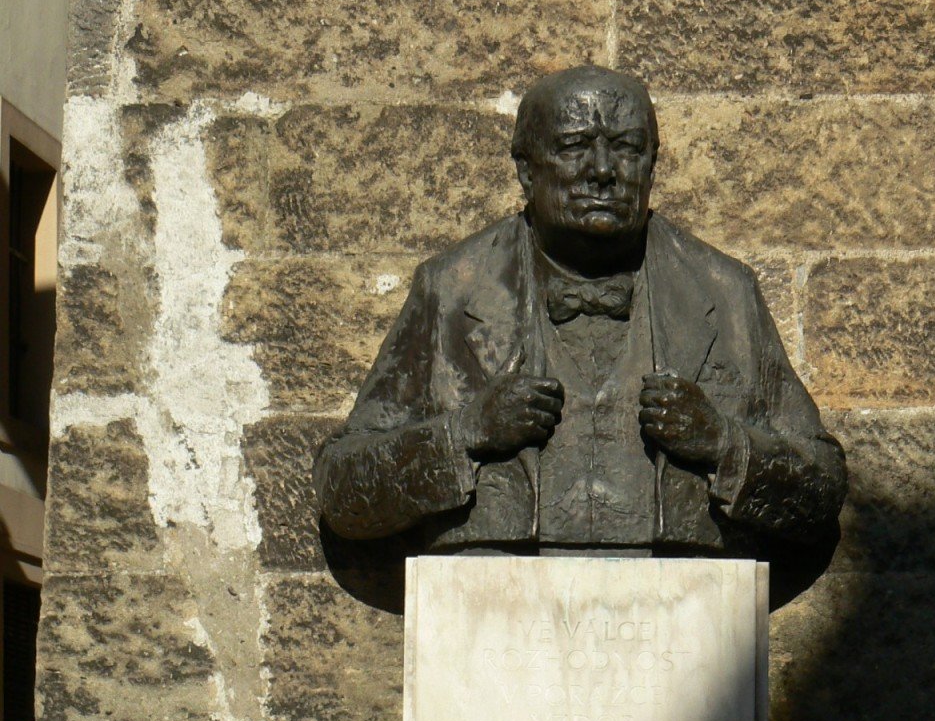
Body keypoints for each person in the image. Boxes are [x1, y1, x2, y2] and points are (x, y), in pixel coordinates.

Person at [315, 65, 846, 557]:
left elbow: (822, 489)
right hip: (496, 609)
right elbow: (343, 490)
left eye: (627, 148)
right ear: (527, 171)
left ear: (652, 165)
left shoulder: (724, 293)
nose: (602, 171)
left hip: (679, 609)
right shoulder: (451, 292)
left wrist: (723, 444)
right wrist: (465, 434)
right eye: (573, 147)